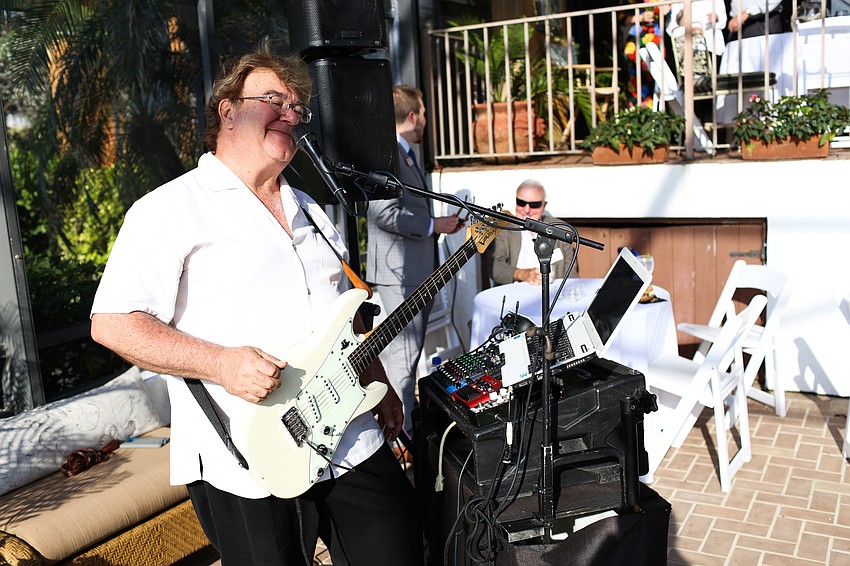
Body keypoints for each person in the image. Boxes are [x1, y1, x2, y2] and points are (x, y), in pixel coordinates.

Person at [89, 44, 423, 566]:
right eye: (274, 100)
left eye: (298, 108)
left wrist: (376, 379)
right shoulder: (170, 208)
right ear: (227, 110)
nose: (290, 114)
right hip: (246, 454)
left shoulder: (311, 208)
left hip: (350, 433)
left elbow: (344, 310)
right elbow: (113, 324)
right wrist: (219, 362)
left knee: (401, 549)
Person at [366, 85, 465, 440]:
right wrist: (431, 225)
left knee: (406, 359)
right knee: (401, 363)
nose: (425, 120)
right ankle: (400, 441)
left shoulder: (404, 152)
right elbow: (382, 212)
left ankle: (401, 434)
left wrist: (438, 227)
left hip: (413, 272)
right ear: (411, 116)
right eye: (422, 113)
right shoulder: (388, 153)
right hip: (400, 276)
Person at [488, 179, 578, 286]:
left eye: (534, 205)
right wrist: (523, 274)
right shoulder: (504, 229)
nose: (526, 210)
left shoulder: (561, 230)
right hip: (515, 295)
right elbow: (495, 268)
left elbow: (572, 276)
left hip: (552, 295)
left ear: (544, 205)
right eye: (521, 203)